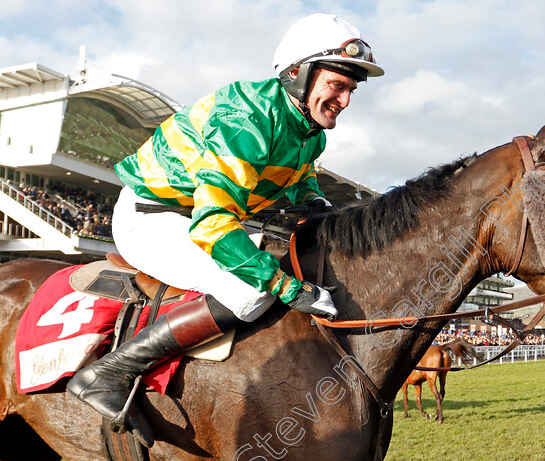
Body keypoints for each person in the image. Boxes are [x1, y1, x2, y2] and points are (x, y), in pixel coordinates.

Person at [67, 13, 384, 438]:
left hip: (197, 215)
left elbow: (298, 175)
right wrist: (288, 288)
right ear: (298, 74)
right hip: (156, 217)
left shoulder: (310, 131)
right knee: (252, 286)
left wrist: (317, 203)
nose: (344, 101)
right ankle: (108, 372)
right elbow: (212, 225)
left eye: (350, 90)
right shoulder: (245, 120)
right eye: (337, 86)